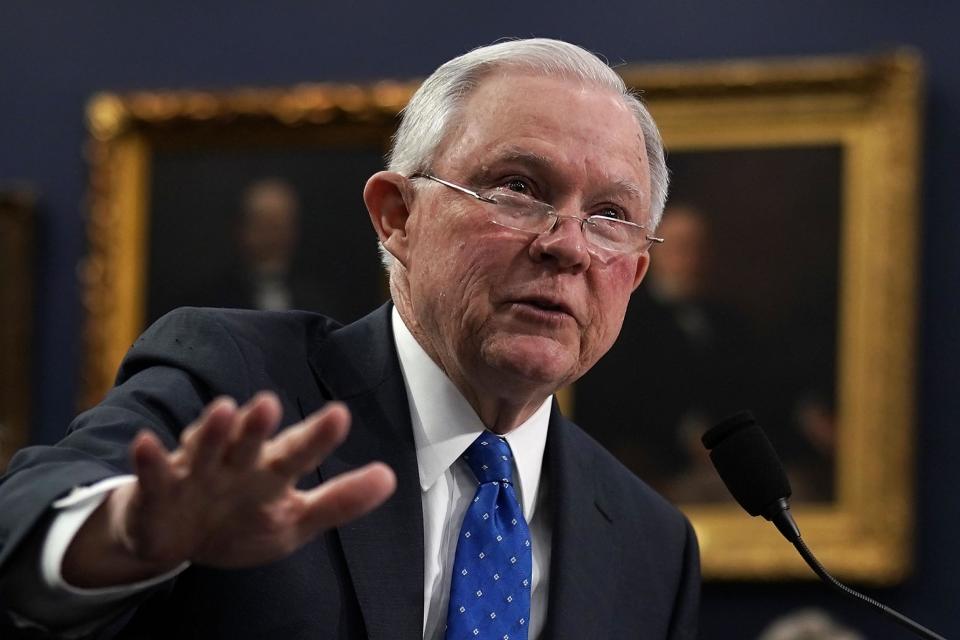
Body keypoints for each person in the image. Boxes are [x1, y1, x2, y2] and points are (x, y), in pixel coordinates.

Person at [0, 38, 699, 639]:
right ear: (397, 217)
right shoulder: (238, 381)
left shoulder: (651, 547)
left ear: (634, 273)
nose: (569, 246)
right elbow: (25, 523)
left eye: (610, 215)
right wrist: (121, 536)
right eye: (518, 186)